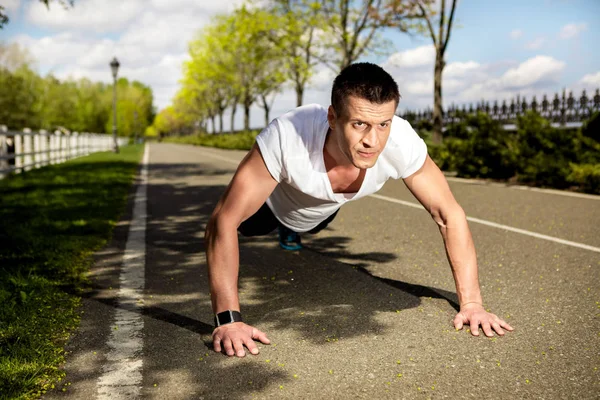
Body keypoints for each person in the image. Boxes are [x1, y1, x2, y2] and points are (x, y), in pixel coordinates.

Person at [204, 62, 514, 358]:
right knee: (245, 225)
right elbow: (222, 221)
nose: (372, 141)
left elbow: (449, 214)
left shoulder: (401, 141)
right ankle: (285, 224)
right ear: (332, 117)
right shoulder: (287, 136)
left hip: (322, 211)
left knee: (311, 225)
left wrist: (472, 303)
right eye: (359, 124)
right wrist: (228, 320)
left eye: (383, 124)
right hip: (273, 205)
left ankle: (296, 228)